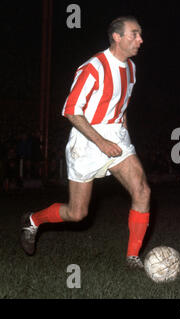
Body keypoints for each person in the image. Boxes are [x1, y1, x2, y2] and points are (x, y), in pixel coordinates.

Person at [20, 16, 150, 269]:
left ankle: (132, 257)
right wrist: (101, 142)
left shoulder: (132, 69)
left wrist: (122, 126)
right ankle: (32, 220)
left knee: (142, 190)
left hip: (116, 136)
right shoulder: (94, 67)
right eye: (134, 34)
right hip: (87, 141)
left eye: (140, 34)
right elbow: (71, 111)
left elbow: (122, 105)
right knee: (77, 213)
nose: (140, 39)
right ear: (117, 37)